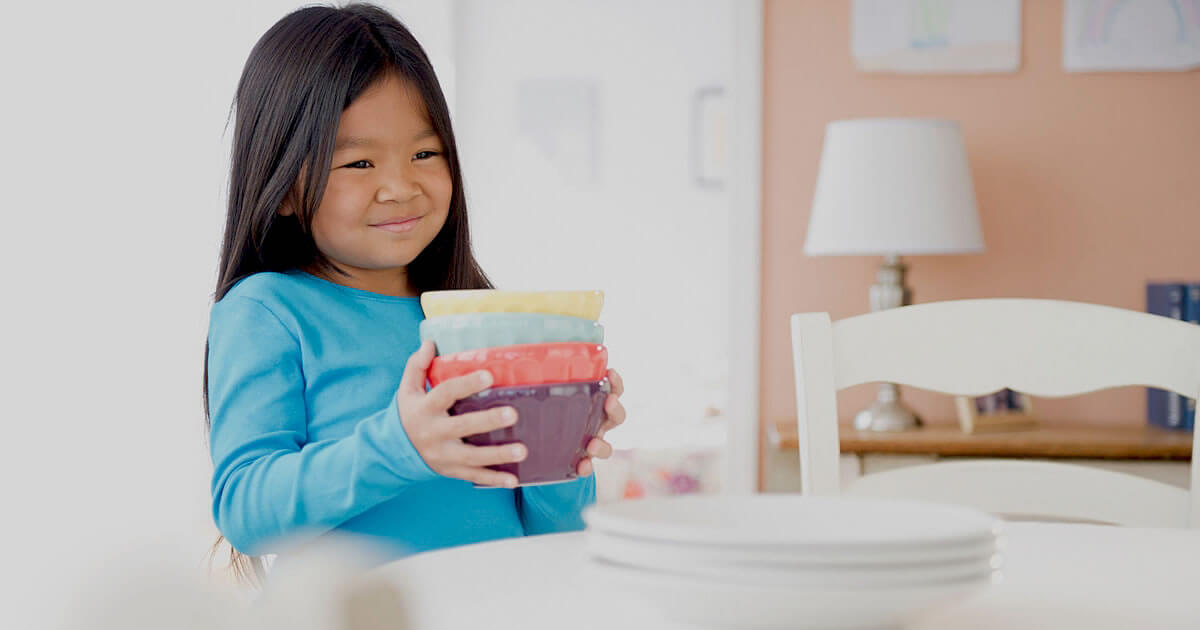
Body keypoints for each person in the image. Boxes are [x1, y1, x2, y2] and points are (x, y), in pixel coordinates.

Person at [204, 2, 626, 582]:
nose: (400, 186)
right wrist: (400, 445)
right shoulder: (268, 310)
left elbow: (555, 535)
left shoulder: (475, 314)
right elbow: (245, 509)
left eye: (425, 153)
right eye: (358, 163)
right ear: (283, 187)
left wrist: (564, 457)